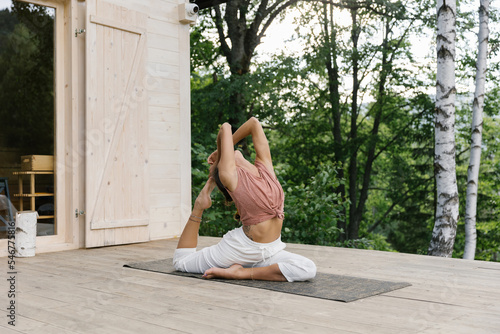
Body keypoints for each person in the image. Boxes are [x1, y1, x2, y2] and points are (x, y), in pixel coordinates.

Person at [173, 117, 316, 282]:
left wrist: (220, 152)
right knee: (181, 263)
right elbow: (225, 127)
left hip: (270, 249)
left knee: (308, 268)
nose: (233, 150)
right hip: (241, 248)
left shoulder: (265, 168)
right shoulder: (230, 176)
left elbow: (254, 123)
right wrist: (219, 157)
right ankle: (199, 205)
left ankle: (241, 272)